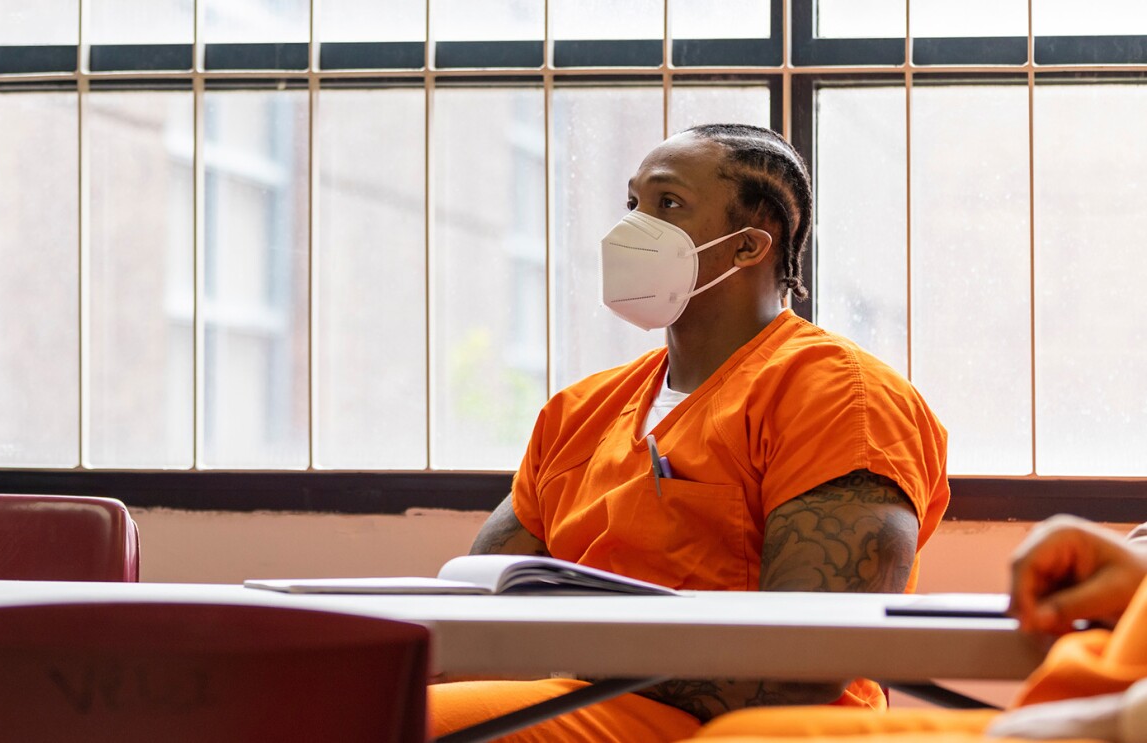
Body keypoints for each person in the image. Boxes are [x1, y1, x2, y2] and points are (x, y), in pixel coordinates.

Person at [429, 123, 952, 742]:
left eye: (667, 204)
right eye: (633, 204)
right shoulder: (580, 411)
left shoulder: (839, 394)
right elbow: (473, 610)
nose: (630, 228)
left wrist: (581, 646)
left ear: (749, 246)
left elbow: (808, 666)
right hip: (582, 700)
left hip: (754, 729)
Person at [683, 516, 1147, 742]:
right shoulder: (616, 391)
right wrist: (1138, 560)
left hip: (1110, 722)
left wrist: (1107, 726)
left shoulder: (843, 397)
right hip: (1087, 698)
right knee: (740, 735)